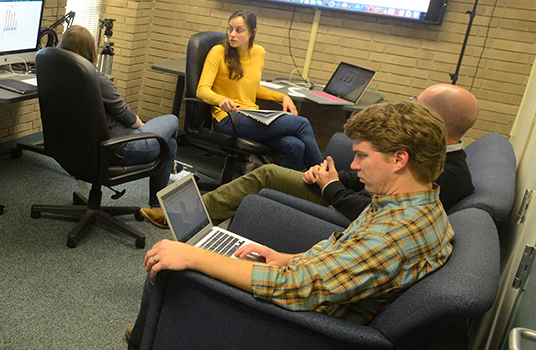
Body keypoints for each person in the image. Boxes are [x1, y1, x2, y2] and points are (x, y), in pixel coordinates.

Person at [87, 99, 453, 350]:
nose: (353, 165)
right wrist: (286, 257)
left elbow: (293, 288)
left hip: (298, 329)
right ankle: (156, 328)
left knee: (169, 264)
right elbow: (343, 255)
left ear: (400, 159)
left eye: (362, 156)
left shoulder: (393, 235)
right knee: (196, 253)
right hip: (313, 295)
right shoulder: (415, 205)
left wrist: (197, 257)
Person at [139, 82, 478, 228]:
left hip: (342, 211)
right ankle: (185, 217)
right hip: (339, 194)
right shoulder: (425, 152)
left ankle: (183, 218)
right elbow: (365, 181)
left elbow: (374, 214)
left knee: (293, 138)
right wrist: (330, 177)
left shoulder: (450, 176)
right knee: (277, 163)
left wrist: (332, 188)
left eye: (418, 106)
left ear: (437, 120)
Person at [58, 25, 179, 207]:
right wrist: (144, 131)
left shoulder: (56, 75)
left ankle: (160, 196)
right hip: (115, 150)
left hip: (75, 149)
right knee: (172, 123)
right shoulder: (96, 80)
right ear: (91, 51)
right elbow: (127, 116)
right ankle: (157, 206)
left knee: (169, 145)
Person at [195, 9, 323, 171]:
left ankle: (280, 193)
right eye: (230, 29)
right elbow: (202, 89)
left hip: (251, 116)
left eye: (239, 30)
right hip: (228, 119)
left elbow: (253, 88)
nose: (232, 34)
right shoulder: (218, 52)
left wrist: (282, 97)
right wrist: (220, 100)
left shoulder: (258, 52)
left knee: (295, 146)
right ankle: (324, 180)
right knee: (301, 124)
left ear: (252, 33)